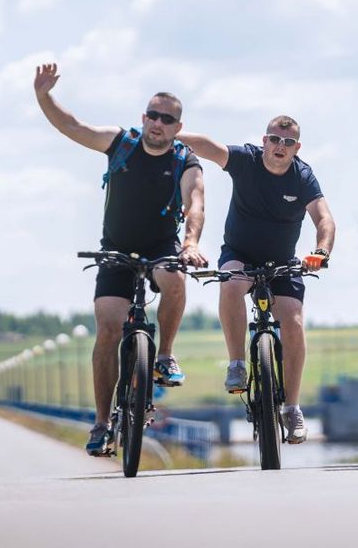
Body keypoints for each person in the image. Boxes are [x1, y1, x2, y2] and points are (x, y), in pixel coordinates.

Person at [34, 63, 208, 456]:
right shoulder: (121, 143)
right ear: (143, 118)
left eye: (167, 119)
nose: (157, 123)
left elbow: (194, 202)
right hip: (115, 251)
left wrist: (191, 243)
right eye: (152, 115)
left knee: (175, 280)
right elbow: (73, 127)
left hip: (163, 249)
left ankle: (163, 355)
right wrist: (44, 97)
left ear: (177, 127)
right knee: (109, 330)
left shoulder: (185, 160)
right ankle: (100, 423)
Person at [178, 116, 335, 444]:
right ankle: (237, 363)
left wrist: (320, 251)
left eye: (288, 142)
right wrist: (172, 134)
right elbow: (210, 147)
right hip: (240, 253)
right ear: (264, 141)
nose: (280, 146)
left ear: (297, 148)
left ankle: (292, 408)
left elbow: (324, 219)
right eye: (274, 139)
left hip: (283, 263)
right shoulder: (246, 161)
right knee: (231, 284)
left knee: (292, 322)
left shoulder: (303, 177)